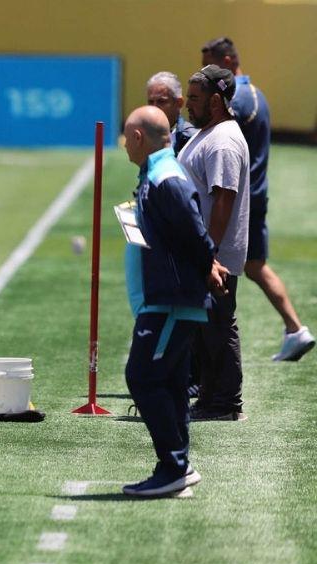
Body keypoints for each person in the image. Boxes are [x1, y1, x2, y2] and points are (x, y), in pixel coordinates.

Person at [120, 106, 228, 497]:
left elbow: (193, 228)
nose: (123, 145)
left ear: (137, 138)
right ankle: (177, 465)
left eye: (125, 137)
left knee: (143, 376)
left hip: (170, 298)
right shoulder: (155, 173)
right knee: (171, 382)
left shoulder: (166, 178)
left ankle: (174, 466)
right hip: (166, 296)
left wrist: (208, 264)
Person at [202, 37, 314, 361]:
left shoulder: (239, 101)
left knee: (224, 266)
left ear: (226, 61)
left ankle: (212, 365)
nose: (205, 72)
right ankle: (295, 329)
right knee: (255, 267)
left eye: (210, 65)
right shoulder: (256, 95)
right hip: (254, 194)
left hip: (240, 200)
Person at [178, 65, 250, 421]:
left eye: (194, 98)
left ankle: (225, 403)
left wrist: (209, 252)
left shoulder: (222, 141)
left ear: (216, 101)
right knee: (205, 329)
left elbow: (223, 199)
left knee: (218, 326)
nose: (187, 104)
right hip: (205, 250)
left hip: (215, 253)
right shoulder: (209, 132)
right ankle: (209, 398)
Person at [145, 71, 198, 155]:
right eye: (151, 102)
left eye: (161, 101)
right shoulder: (146, 135)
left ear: (179, 103)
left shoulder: (191, 137)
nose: (154, 107)